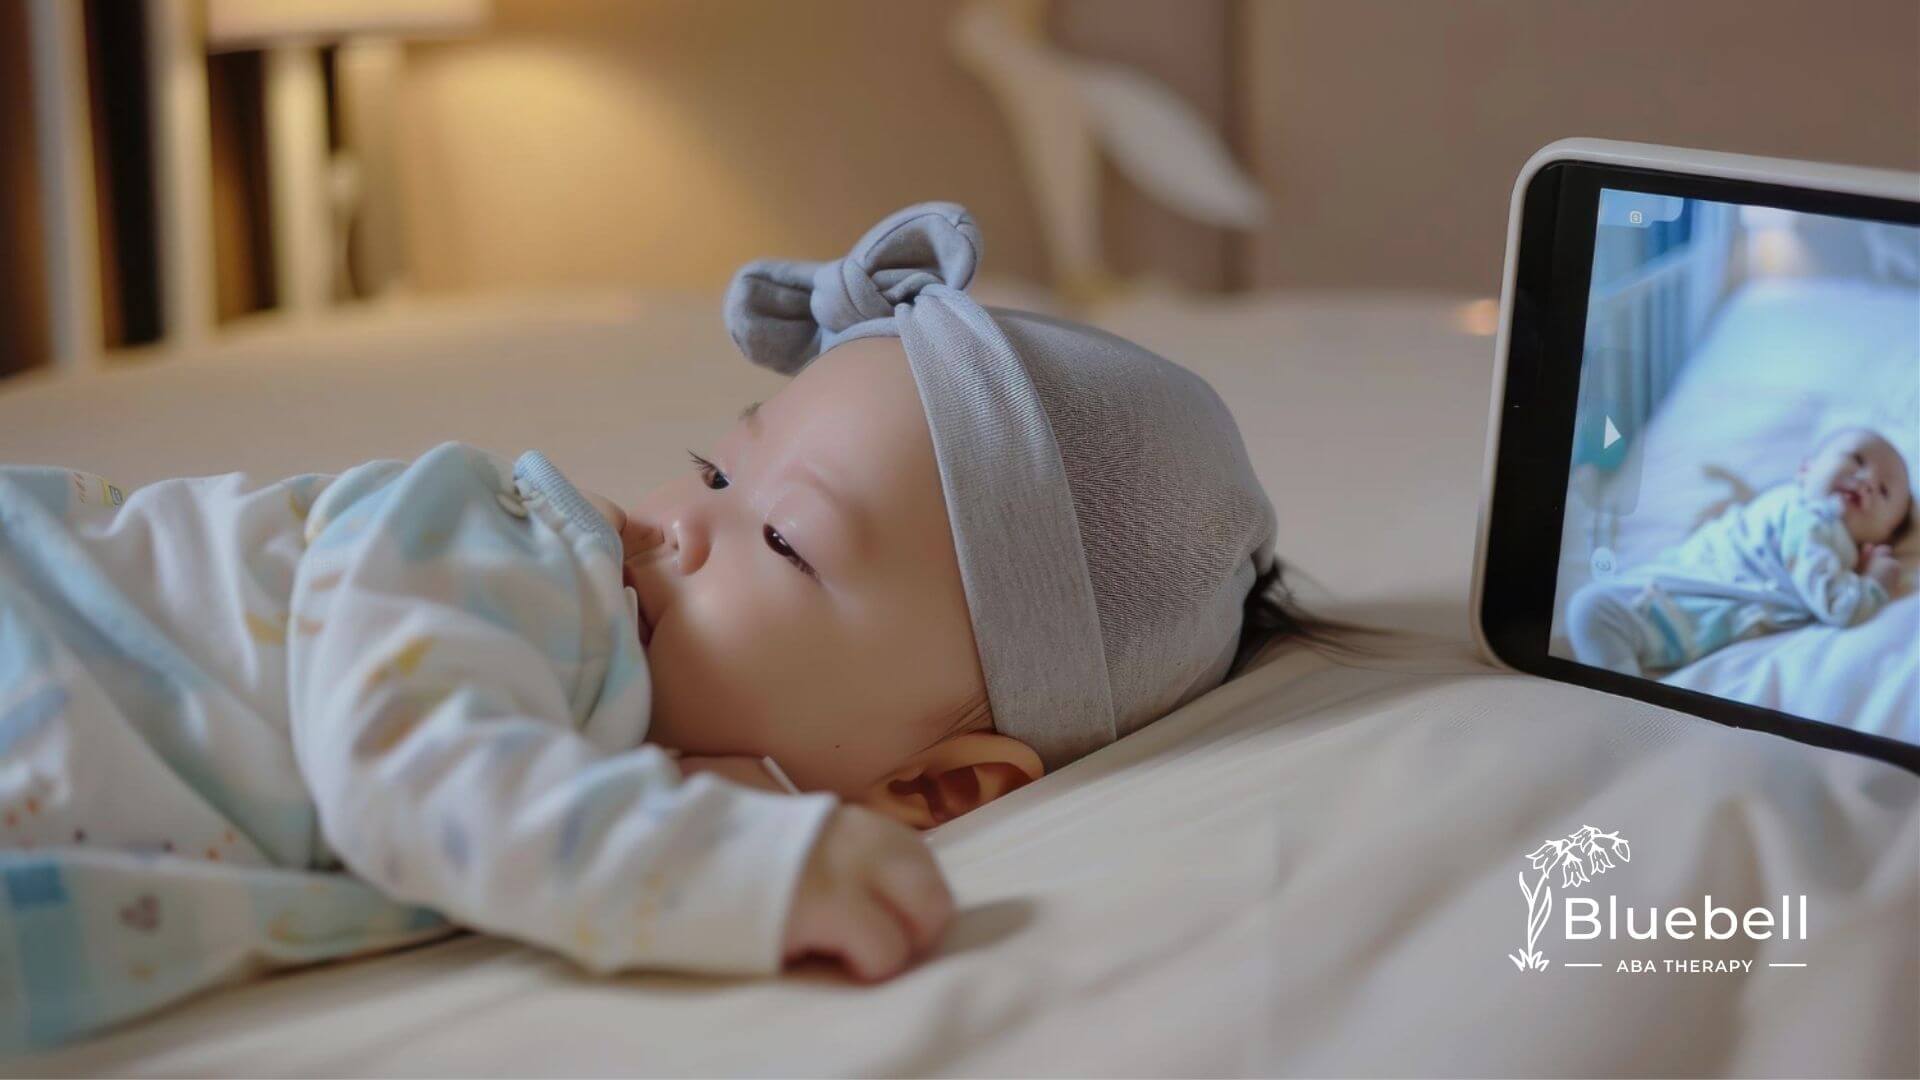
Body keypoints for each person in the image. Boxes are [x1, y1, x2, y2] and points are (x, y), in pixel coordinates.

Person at [0, 203, 1302, 1049]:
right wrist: (733, 868)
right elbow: (410, 766)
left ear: (941, 785)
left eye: (781, 542)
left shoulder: (611, 734)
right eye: (718, 469)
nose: (680, 523)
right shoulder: (501, 551)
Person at [1567, 426, 1910, 678]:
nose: (1866, 480)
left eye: (1883, 490)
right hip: (1678, 591)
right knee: (1594, 614)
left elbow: (1837, 604)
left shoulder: (1817, 527)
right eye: (1856, 459)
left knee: (1592, 610)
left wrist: (1873, 579)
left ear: (1883, 536)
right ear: (1805, 469)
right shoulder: (1804, 510)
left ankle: (1618, 702)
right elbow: (1834, 597)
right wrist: (1870, 580)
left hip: (1682, 607)